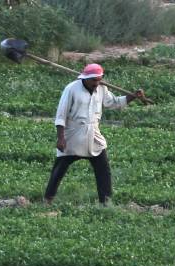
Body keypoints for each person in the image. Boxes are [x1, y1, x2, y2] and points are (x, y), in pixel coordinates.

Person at [44, 63, 145, 205]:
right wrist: (61, 138)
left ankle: (106, 202)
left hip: (93, 135)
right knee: (60, 168)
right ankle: (48, 199)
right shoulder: (71, 89)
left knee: (103, 169)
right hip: (73, 135)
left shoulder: (102, 88)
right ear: (85, 78)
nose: (96, 83)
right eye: (94, 80)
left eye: (99, 80)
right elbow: (61, 115)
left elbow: (114, 102)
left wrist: (133, 96)